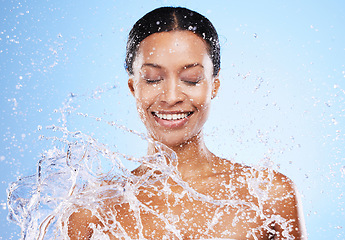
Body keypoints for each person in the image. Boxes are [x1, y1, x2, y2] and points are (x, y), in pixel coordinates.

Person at [68, 7, 307, 239]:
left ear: (214, 86)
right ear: (133, 88)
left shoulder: (269, 193)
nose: (171, 97)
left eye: (191, 80)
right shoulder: (92, 207)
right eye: (152, 79)